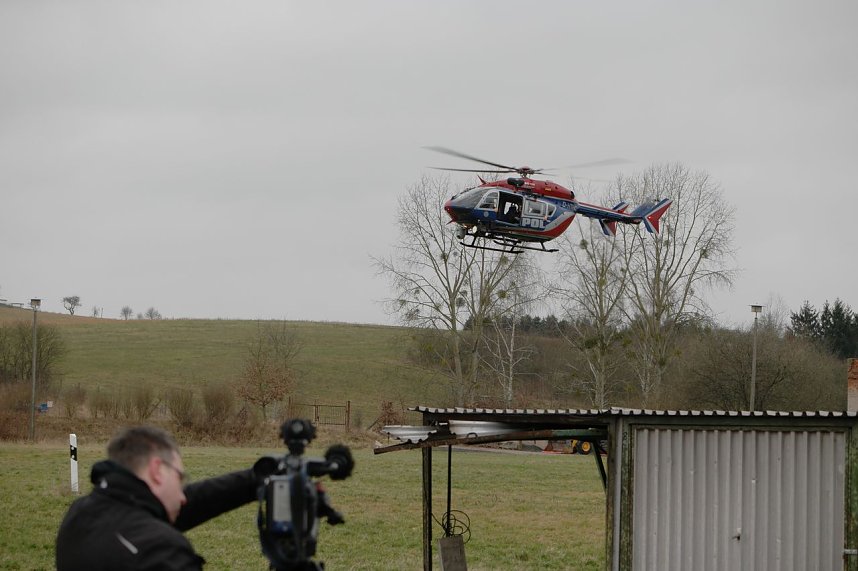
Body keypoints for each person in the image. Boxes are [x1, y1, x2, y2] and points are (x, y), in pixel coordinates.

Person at [56, 425, 257, 570]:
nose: (182, 496)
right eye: (180, 478)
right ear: (157, 470)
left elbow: (169, 508)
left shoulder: (80, 513)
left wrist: (255, 480)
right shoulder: (161, 551)